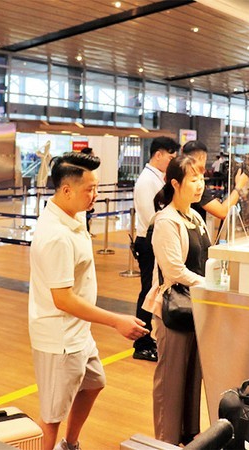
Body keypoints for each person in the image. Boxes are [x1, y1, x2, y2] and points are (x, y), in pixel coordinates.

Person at [29, 152, 147, 450]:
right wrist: (116, 320)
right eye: (89, 189)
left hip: (78, 331)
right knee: (51, 416)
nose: (94, 195)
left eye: (96, 188)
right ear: (66, 190)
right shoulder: (56, 236)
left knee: (94, 382)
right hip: (59, 338)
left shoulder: (73, 214)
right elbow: (63, 300)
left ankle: (70, 444)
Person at [142, 155, 209, 445]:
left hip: (197, 305)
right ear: (175, 183)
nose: (199, 185)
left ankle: (188, 435)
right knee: (171, 380)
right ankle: (166, 440)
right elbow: (173, 269)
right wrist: (211, 284)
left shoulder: (194, 216)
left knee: (192, 376)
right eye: (193, 179)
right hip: (174, 308)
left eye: (201, 178)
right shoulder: (166, 220)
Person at [132, 137, 178, 362]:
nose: (172, 162)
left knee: (152, 289)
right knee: (147, 291)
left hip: (153, 240)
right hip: (148, 242)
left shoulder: (156, 178)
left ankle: (146, 337)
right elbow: (152, 217)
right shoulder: (146, 181)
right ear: (158, 155)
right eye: (170, 157)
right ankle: (141, 342)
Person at [181, 141, 249, 225]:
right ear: (202, 158)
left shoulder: (178, 175)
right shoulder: (194, 186)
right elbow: (222, 212)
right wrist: (239, 186)